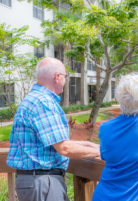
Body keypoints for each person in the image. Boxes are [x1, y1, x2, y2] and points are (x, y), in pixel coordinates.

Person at [6, 57, 100, 201]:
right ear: (57, 77)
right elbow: (64, 148)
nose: (65, 80)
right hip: (43, 182)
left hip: (35, 181)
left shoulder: (33, 99)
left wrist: (89, 145)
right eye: (65, 76)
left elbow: (54, 141)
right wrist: (101, 151)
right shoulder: (44, 103)